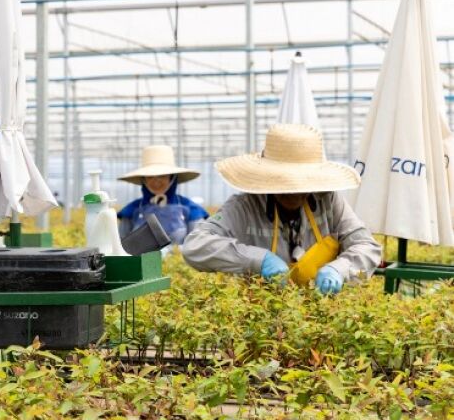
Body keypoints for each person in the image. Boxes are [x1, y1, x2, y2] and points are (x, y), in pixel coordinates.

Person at [181, 123, 381, 294]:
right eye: (284, 182)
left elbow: (367, 247)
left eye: (301, 182)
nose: (293, 191)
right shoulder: (244, 207)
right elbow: (195, 246)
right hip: (261, 316)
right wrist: (257, 259)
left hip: (324, 312)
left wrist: (339, 270)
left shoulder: (328, 201)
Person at [117, 144, 209, 244]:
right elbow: (120, 246)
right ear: (143, 179)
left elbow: (199, 245)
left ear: (172, 178)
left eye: (162, 176)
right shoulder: (132, 210)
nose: (156, 181)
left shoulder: (191, 209)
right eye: (150, 176)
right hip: (141, 260)